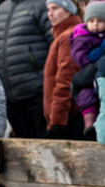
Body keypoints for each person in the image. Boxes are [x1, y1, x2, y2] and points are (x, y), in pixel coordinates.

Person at [0, 0, 53, 138]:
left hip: (38, 93)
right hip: (11, 97)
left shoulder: (41, 5)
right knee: (23, 150)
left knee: (45, 145)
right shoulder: (2, 9)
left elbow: (54, 45)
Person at [44, 0, 84, 139]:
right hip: (66, 115)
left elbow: (66, 79)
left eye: (55, 8)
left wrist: (58, 120)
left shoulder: (68, 36)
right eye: (48, 9)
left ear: (69, 10)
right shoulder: (61, 35)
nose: (50, 14)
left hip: (69, 117)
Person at [70, 1, 105, 138]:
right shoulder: (82, 38)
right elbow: (82, 59)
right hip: (88, 73)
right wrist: (99, 53)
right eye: (92, 21)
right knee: (86, 95)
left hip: (98, 75)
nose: (95, 24)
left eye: (100, 21)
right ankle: (89, 123)